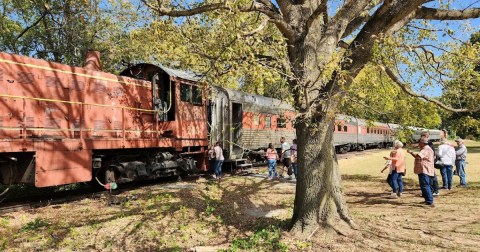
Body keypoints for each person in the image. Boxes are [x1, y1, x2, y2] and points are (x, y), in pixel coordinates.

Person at [407, 138, 435, 207]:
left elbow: (418, 156)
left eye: (419, 143)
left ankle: (430, 201)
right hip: (425, 170)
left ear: (422, 143)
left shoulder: (425, 149)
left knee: (425, 185)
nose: (418, 144)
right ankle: (427, 200)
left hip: (424, 170)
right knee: (425, 185)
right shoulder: (428, 149)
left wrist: (411, 152)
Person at [421, 131, 440, 196]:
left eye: (423, 135)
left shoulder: (429, 143)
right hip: (428, 162)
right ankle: (430, 191)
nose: (421, 137)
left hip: (430, 162)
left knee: (432, 176)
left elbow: (433, 153)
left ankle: (435, 190)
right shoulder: (427, 143)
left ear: (426, 136)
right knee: (431, 176)